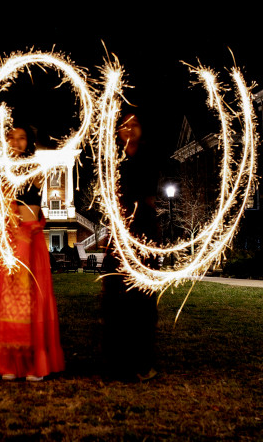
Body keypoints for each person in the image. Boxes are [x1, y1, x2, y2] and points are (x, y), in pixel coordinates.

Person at [0, 124, 65, 382]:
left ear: (29, 142)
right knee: (10, 299)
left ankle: (34, 360)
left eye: (22, 138)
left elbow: (35, 202)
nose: (16, 142)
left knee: (32, 297)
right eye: (11, 137)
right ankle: (11, 360)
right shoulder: (1, 170)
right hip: (10, 240)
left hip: (30, 239)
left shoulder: (34, 169)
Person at [100, 113, 159, 382]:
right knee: (115, 300)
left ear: (142, 129)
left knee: (143, 303)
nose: (128, 128)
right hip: (118, 238)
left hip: (143, 238)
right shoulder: (111, 161)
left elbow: (147, 196)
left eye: (134, 124)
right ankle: (117, 362)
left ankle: (142, 362)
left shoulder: (149, 158)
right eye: (123, 125)